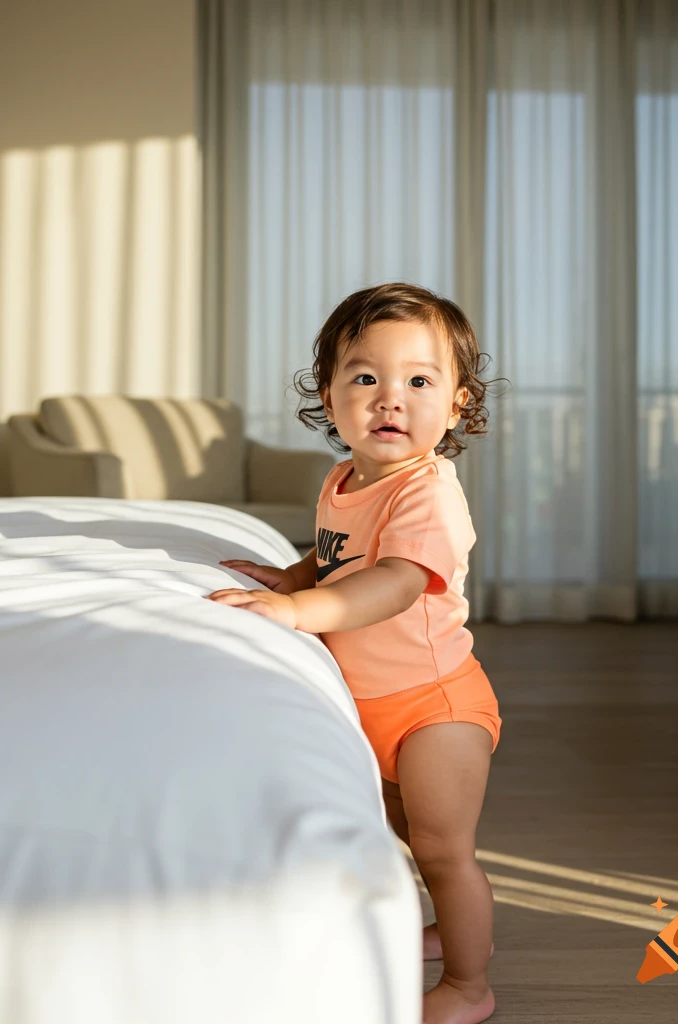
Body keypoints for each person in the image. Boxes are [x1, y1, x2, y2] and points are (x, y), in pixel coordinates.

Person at [206, 282, 501, 1024]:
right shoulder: (345, 480)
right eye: (364, 377)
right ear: (328, 397)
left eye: (419, 381)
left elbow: (396, 582)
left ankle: (470, 986)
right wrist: (295, 576)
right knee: (408, 839)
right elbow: (340, 558)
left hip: (435, 706)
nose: (389, 399)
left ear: (458, 404)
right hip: (373, 703)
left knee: (444, 850)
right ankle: (440, 928)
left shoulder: (427, 494)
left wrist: (297, 612)